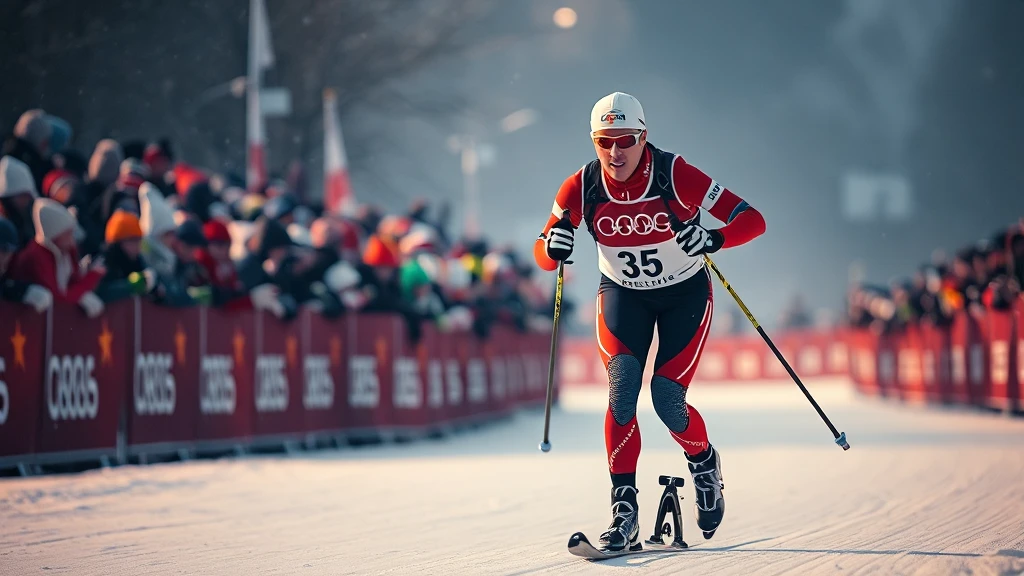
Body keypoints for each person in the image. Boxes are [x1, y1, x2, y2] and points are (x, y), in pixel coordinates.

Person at [533, 92, 766, 551]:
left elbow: (752, 219)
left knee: (665, 398)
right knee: (622, 393)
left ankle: (703, 462)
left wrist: (714, 236)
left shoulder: (674, 173)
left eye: (625, 140)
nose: (615, 153)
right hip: (622, 296)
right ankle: (624, 512)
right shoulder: (579, 186)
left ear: (644, 137)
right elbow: (543, 252)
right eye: (604, 142)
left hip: (684, 295)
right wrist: (553, 246)